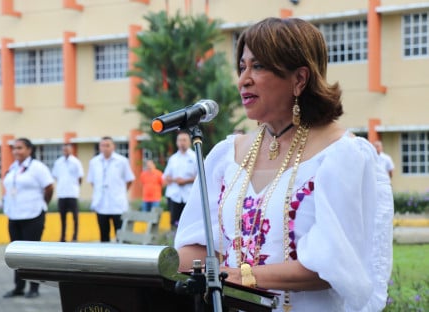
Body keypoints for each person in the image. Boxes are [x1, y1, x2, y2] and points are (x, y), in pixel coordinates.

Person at [174, 17, 394, 312]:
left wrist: (242, 276)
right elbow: (194, 246)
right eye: (242, 67)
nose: (244, 79)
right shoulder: (225, 155)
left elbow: (332, 265)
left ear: (299, 79)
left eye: (259, 66)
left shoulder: (342, 155)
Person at [2, 138, 54, 299]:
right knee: (16, 254)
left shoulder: (38, 168)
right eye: (14, 148)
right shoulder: (13, 168)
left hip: (33, 214)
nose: (16, 151)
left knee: (31, 254)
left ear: (29, 150)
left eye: (20, 148)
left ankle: (34, 287)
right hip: (14, 215)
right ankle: (19, 287)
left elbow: (49, 187)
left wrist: (43, 204)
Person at [87, 136, 135, 242]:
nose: (105, 148)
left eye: (108, 145)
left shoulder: (122, 161)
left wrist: (120, 192)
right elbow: (92, 181)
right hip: (101, 204)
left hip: (117, 205)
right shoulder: (94, 162)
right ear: (99, 147)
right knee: (104, 237)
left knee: (121, 237)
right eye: (102, 145)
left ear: (113, 147)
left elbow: (129, 180)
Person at [163, 130, 197, 229]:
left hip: (189, 196)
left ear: (189, 142)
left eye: (184, 140)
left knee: (188, 225)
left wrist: (185, 181)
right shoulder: (173, 158)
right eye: (180, 140)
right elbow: (166, 176)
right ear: (177, 142)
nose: (182, 142)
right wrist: (173, 180)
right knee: (174, 224)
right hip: (174, 195)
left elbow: (201, 177)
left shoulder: (195, 157)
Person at [52, 143, 84, 242]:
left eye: (67, 150)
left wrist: (75, 187)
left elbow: (80, 177)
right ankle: (63, 237)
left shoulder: (76, 162)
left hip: (72, 193)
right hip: (62, 193)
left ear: (71, 150)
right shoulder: (58, 162)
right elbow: (56, 176)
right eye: (64, 150)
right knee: (62, 217)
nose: (65, 151)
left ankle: (75, 236)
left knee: (75, 217)